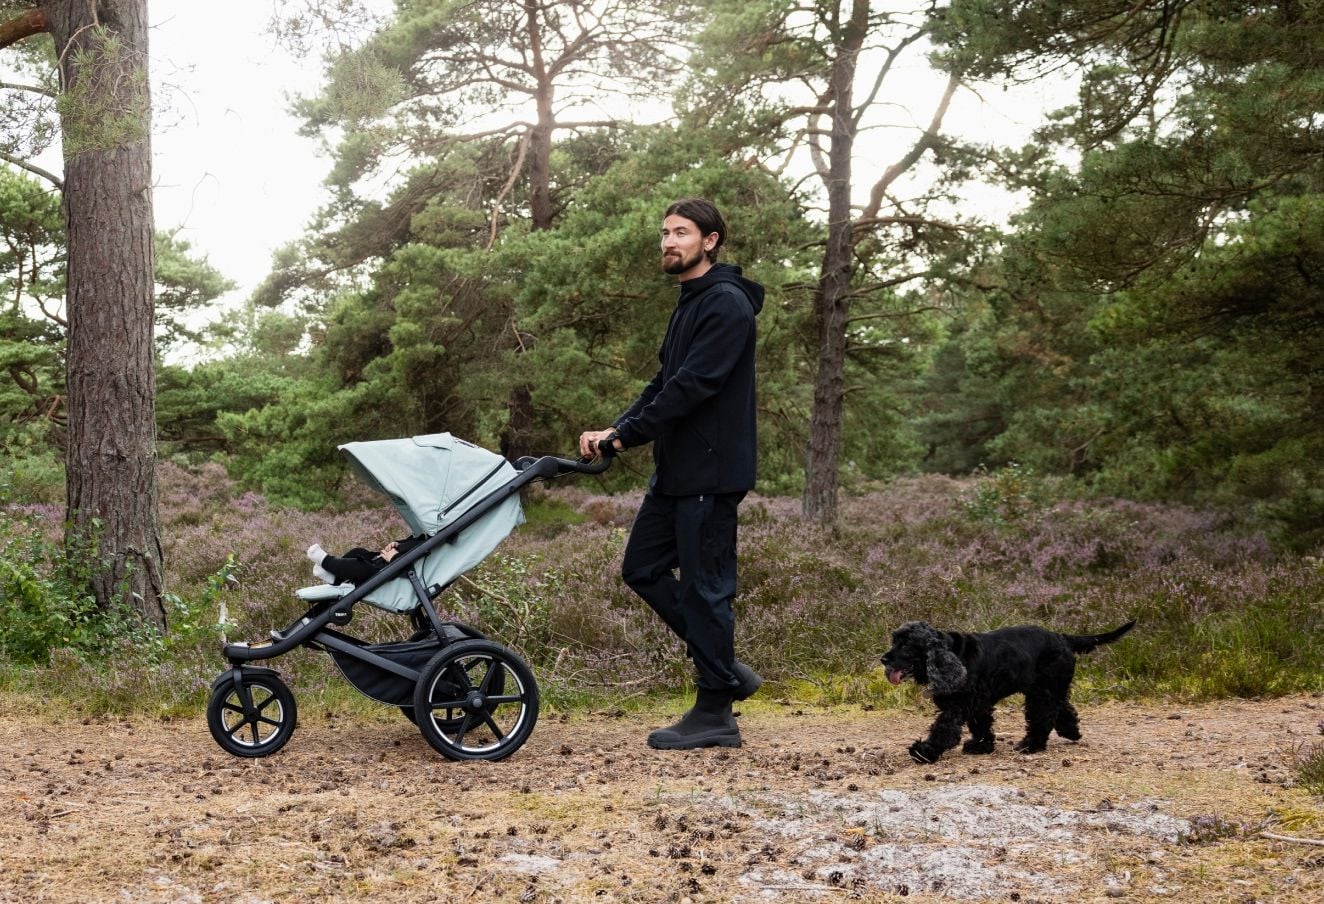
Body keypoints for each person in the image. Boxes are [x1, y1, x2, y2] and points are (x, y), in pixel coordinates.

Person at [578, 197, 765, 750]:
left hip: (709, 474)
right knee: (642, 568)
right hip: (677, 473)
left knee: (708, 592)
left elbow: (694, 387)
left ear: (710, 241)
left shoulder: (726, 304)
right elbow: (663, 382)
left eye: (680, 232)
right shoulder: (689, 302)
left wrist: (626, 436)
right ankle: (726, 667)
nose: (668, 242)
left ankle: (715, 712)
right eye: (664, 233)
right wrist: (616, 427)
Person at [306, 536, 425, 586]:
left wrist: (394, 557)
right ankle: (336, 578)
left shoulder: (430, 550)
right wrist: (398, 544)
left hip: (386, 574)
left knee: (360, 567)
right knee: (358, 552)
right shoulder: (425, 539)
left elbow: (415, 570)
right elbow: (411, 544)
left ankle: (325, 561)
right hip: (381, 563)